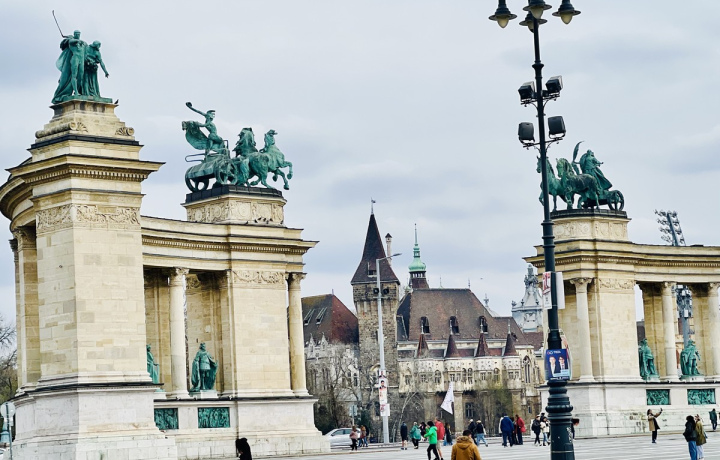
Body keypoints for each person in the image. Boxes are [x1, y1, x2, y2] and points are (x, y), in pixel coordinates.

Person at [53, 30, 88, 103]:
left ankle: (78, 90)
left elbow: (87, 52)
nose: (78, 35)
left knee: (80, 76)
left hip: (81, 60)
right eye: (76, 34)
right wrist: (74, 39)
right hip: (75, 59)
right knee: (74, 75)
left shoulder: (83, 44)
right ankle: (76, 91)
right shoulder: (72, 41)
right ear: (74, 34)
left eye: (79, 33)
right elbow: (72, 41)